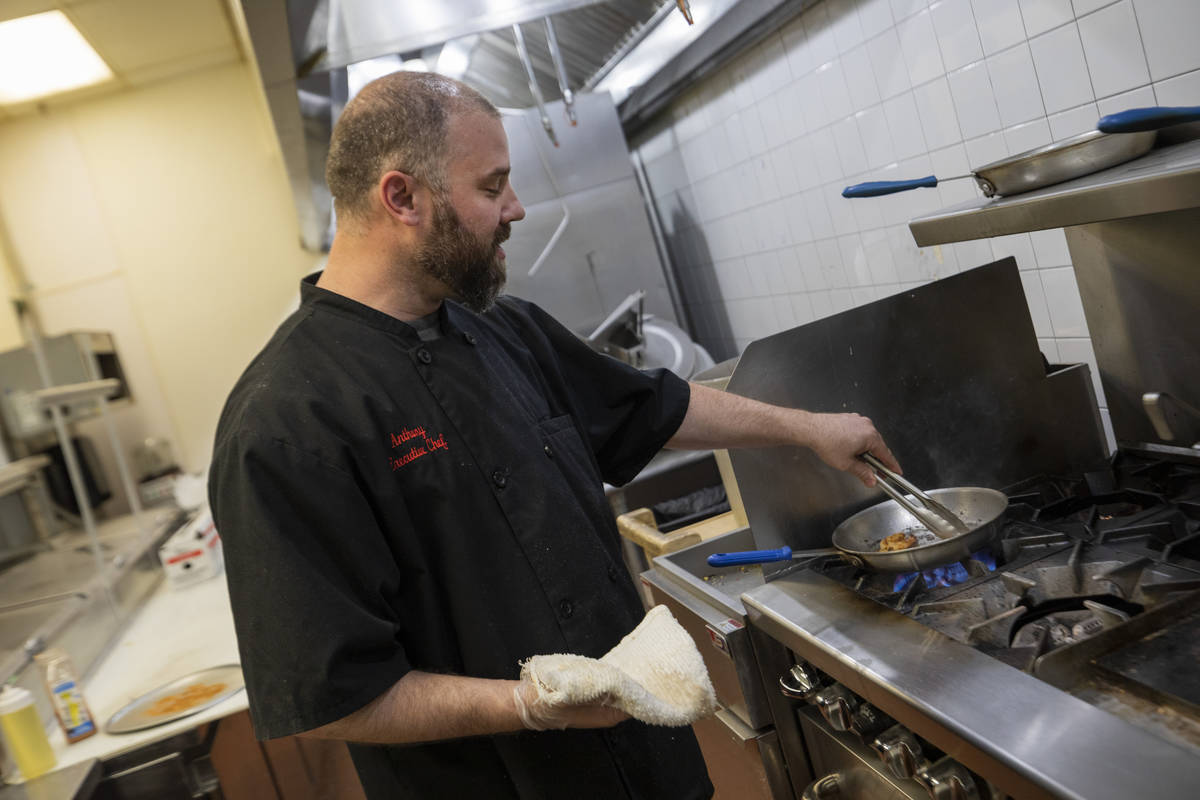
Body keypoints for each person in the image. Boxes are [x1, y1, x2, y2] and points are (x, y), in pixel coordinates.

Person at [208, 71, 900, 799]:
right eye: (492, 186)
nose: (517, 208)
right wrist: (531, 705)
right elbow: (336, 696)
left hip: (652, 769)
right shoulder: (283, 424)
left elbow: (652, 408)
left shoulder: (501, 328)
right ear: (402, 197)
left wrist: (811, 429)